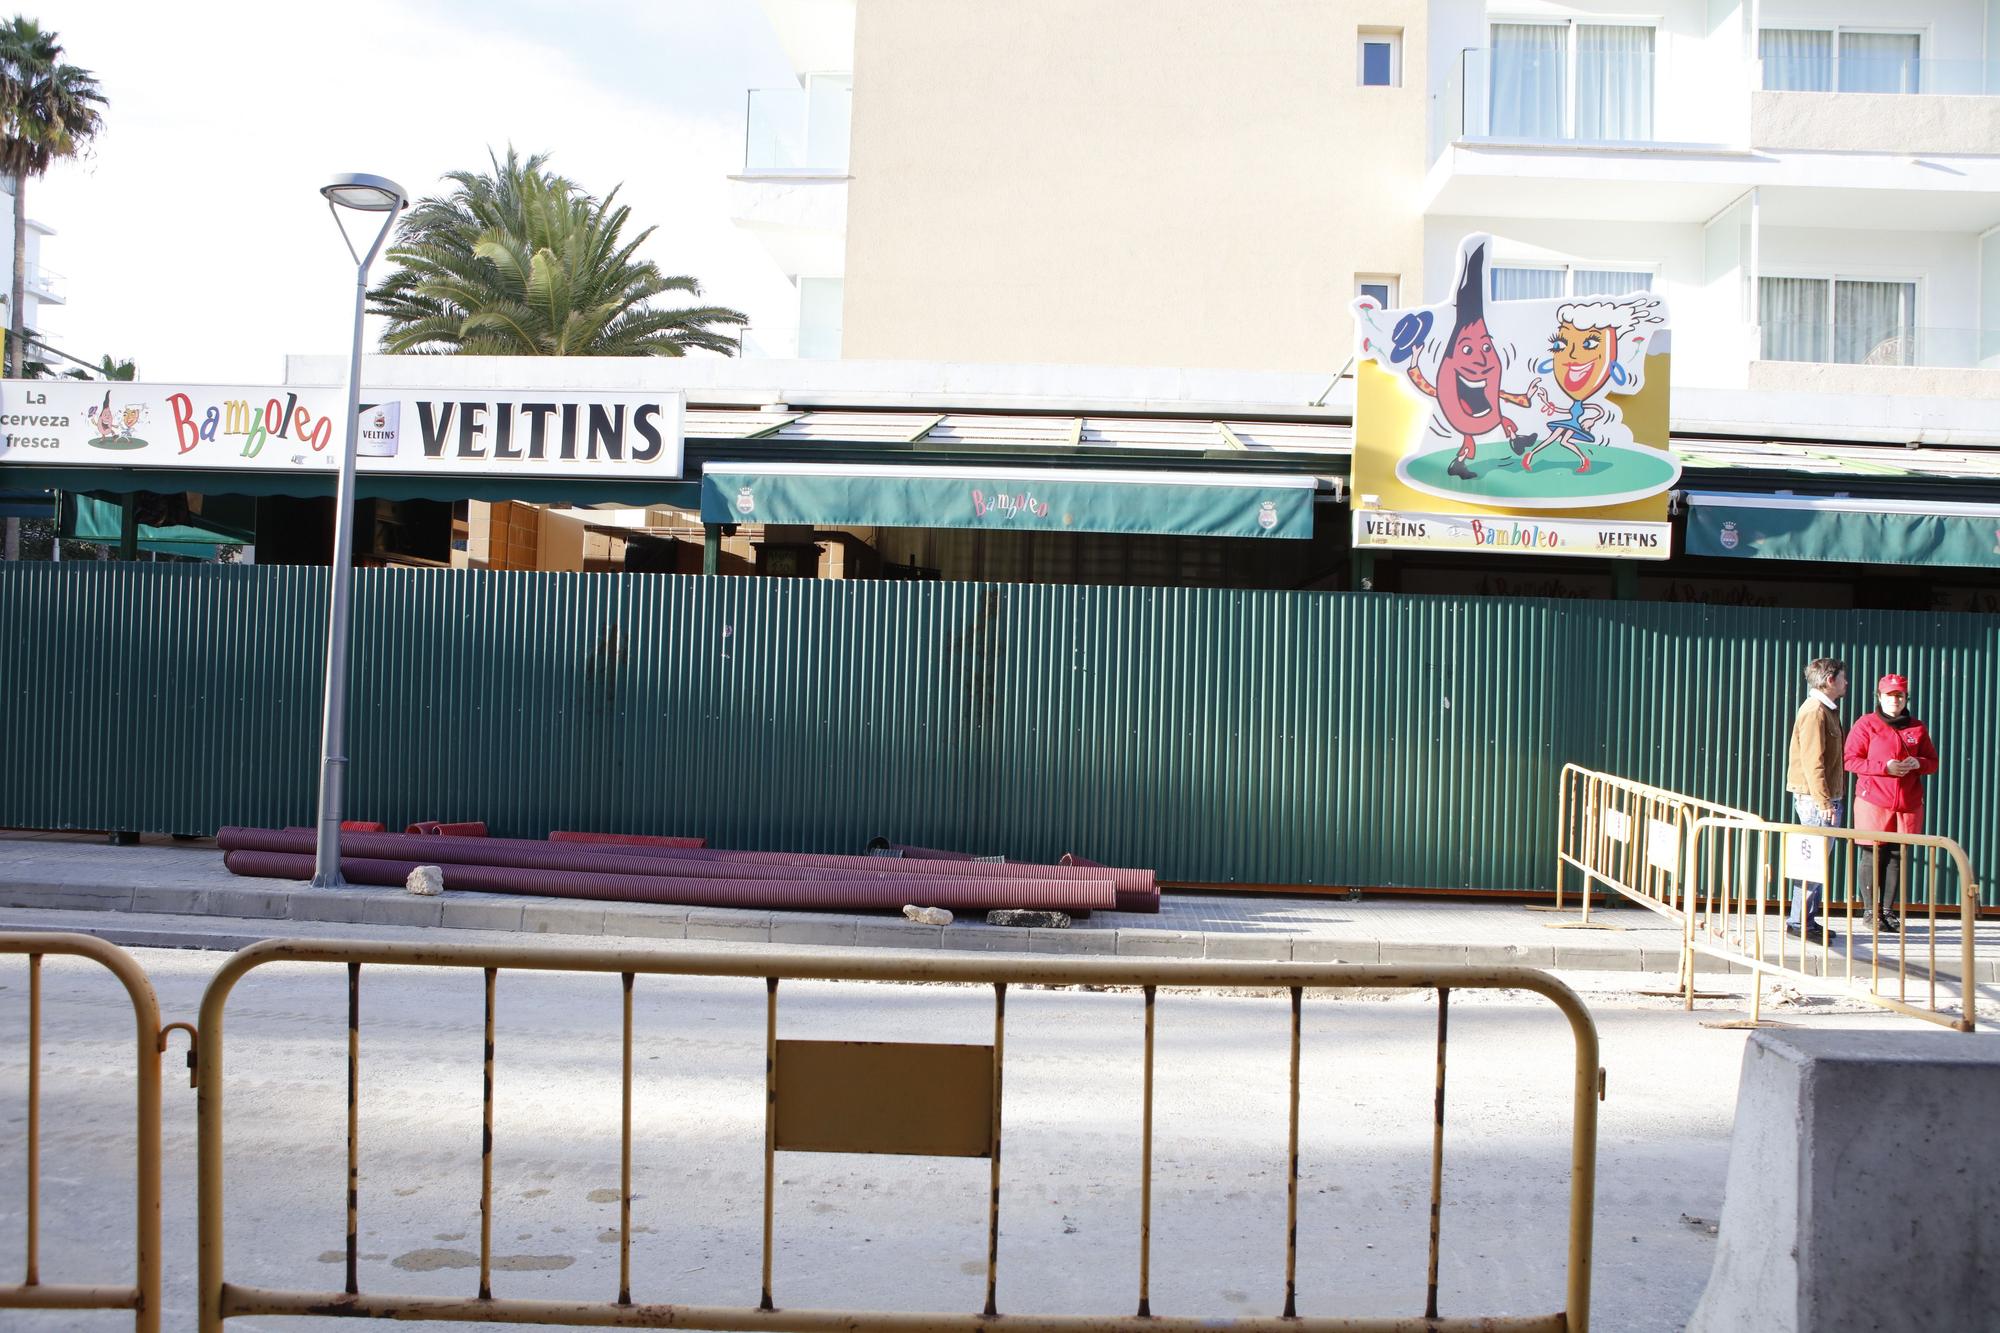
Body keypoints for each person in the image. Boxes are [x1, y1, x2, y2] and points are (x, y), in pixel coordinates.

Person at [1843, 673, 1938, 932]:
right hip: (1873, 800)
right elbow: (1850, 759)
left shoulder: (1917, 727)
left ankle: (1888, 910)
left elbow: (1933, 762)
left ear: (1906, 698)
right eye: (1889, 695)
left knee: (1896, 854)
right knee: (1872, 853)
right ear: (1879, 697)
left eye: (1899, 695)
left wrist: (1919, 764)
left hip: (1907, 803)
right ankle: (1870, 911)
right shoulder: (1866, 724)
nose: (1894, 700)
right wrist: (1885, 767)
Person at [1784, 657, 1847, 941]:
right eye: (1843, 677)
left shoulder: (1826, 709)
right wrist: (1824, 802)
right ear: (1830, 680)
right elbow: (1813, 761)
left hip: (1823, 797)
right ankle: (1800, 922)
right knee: (1812, 860)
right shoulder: (1814, 711)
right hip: (1815, 799)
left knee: (1816, 861)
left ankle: (1805, 918)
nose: (1847, 682)